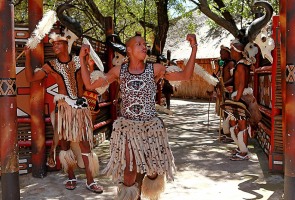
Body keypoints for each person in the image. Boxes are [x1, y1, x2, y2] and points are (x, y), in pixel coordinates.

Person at [79, 34, 197, 199]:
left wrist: (194, 49)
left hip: (151, 127)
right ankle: (131, 196)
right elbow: (90, 85)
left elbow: (185, 76)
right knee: (130, 170)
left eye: (145, 44)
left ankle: (150, 184)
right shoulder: (119, 71)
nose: (144, 47)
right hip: (128, 128)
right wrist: (82, 59)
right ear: (129, 50)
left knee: (153, 170)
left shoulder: (155, 69)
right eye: (139, 44)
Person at [24, 33, 104, 193]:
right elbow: (31, 78)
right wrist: (27, 56)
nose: (55, 47)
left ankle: (90, 180)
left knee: (85, 144)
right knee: (65, 144)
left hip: (81, 107)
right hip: (64, 108)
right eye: (53, 45)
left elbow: (90, 80)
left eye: (58, 44)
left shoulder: (78, 60)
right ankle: (71, 177)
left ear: (66, 45)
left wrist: (87, 58)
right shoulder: (51, 65)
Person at [226, 40, 261, 161]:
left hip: (240, 97)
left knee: (241, 124)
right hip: (238, 96)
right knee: (233, 122)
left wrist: (237, 97)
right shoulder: (240, 64)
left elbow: (241, 84)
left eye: (231, 50)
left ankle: (244, 152)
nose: (230, 52)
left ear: (237, 52)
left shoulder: (241, 66)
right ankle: (240, 148)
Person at [215, 45, 235, 143]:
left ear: (228, 53)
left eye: (222, 53)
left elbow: (234, 77)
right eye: (220, 53)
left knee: (230, 112)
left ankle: (231, 134)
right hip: (225, 91)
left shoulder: (231, 64)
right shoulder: (224, 65)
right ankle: (226, 130)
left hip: (230, 91)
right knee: (225, 112)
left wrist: (224, 84)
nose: (221, 55)